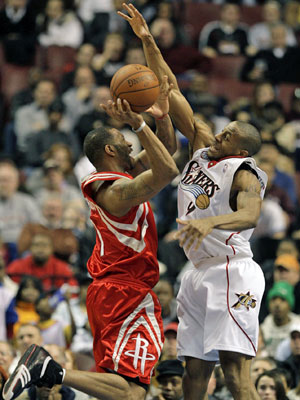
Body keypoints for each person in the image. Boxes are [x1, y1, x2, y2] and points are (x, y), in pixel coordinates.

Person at [118, 4, 268, 400]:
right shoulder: (202, 147)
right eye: (225, 129)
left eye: (230, 134)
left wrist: (210, 223)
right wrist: (148, 41)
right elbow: (169, 87)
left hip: (233, 270)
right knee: (194, 371)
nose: (222, 134)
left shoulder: (244, 172)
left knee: (235, 373)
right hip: (198, 271)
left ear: (242, 148)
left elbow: (251, 213)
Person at [3, 76, 178, 400]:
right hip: (125, 291)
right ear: (111, 149)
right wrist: (139, 123)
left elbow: (168, 151)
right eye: (125, 139)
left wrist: (162, 116)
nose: (131, 142)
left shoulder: (122, 178)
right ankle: (51, 369)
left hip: (114, 292)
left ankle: (52, 370)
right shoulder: (117, 192)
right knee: (134, 392)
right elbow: (167, 171)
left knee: (126, 391)